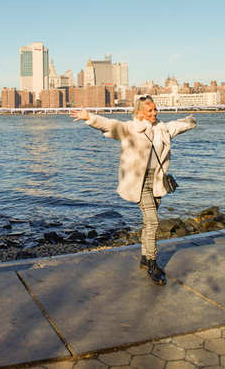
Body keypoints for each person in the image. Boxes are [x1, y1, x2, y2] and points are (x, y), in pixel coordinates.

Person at [72, 96, 196, 285]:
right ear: (139, 112)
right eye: (150, 111)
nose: (154, 113)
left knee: (149, 223)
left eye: (155, 110)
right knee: (153, 222)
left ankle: (145, 257)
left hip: (157, 182)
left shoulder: (162, 128)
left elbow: (178, 125)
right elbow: (109, 125)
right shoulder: (131, 129)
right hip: (140, 182)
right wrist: (89, 116)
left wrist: (191, 120)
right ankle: (153, 263)